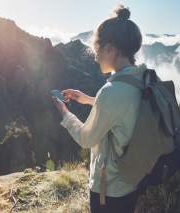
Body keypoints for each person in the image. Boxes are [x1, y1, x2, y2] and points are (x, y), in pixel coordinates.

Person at [52, 4, 148, 213]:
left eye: (97, 50)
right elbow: (124, 110)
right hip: (131, 183)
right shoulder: (140, 79)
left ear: (111, 49)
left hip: (108, 191)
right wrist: (87, 99)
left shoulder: (111, 91)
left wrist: (64, 113)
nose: (96, 57)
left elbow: (86, 139)